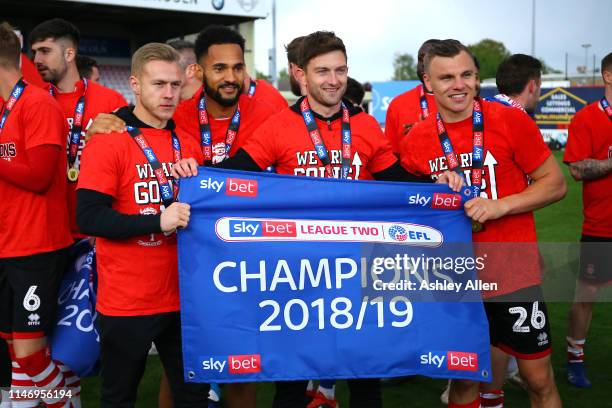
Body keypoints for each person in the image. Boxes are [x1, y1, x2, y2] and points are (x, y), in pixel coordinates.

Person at [173, 30, 463, 408]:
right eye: (322, 71)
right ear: (301, 76)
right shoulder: (279, 125)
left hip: (358, 269)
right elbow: (232, 176)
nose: (333, 79)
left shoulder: (363, 125)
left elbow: (398, 181)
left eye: (340, 70)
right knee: (292, 379)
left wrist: (436, 184)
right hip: (299, 275)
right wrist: (195, 174)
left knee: (365, 375)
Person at [399, 39, 566, 408]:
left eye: (467, 75)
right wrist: (432, 187)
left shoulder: (509, 120)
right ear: (428, 83)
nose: (458, 85)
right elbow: (406, 210)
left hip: (513, 276)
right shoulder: (417, 141)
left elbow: (555, 183)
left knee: (539, 380)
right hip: (454, 281)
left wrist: (500, 206)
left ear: (477, 78)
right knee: (463, 384)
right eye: (446, 78)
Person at [76, 42, 208, 407]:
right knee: (119, 396)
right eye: (158, 84)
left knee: (193, 395)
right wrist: (157, 221)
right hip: (127, 302)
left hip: (185, 298)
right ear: (135, 84)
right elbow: (89, 217)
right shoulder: (109, 140)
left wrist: (193, 187)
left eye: (175, 85)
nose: (168, 94)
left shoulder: (188, 143)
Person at [0, 22, 73, 408]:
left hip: (36, 247)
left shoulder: (37, 104)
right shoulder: (4, 108)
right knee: (14, 351)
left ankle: (69, 400)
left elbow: (42, 177)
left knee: (30, 354)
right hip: (8, 245)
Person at [29, 18, 127, 239]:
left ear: (69, 54)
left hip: (95, 229)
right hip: (47, 233)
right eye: (34, 52)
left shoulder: (111, 100)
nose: (37, 60)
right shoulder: (34, 101)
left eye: (45, 51)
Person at [564, 51, 612, 389]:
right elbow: (578, 169)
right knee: (586, 297)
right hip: (602, 227)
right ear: (608, 76)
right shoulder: (586, 118)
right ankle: (574, 361)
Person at [385, 39, 441, 153]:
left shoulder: (459, 101)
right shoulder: (398, 104)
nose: (423, 65)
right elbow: (391, 155)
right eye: (420, 59)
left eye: (428, 59)